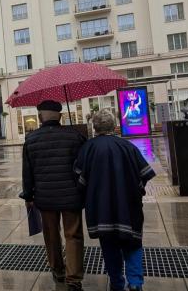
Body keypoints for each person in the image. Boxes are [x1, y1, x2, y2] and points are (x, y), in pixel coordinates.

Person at [74, 110, 156, 291]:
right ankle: (135, 283)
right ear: (115, 126)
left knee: (109, 245)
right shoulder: (127, 146)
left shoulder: (88, 148)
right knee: (133, 243)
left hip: (101, 208)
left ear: (94, 127)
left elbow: (80, 179)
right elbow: (145, 174)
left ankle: (117, 283)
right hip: (128, 206)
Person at [21, 100, 87, 291]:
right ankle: (74, 278)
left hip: (45, 198)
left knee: (51, 235)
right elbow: (83, 168)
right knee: (73, 235)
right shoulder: (75, 136)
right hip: (71, 197)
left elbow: (27, 173)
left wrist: (28, 197)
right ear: (60, 116)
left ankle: (57, 270)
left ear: (40, 116)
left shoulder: (31, 140)